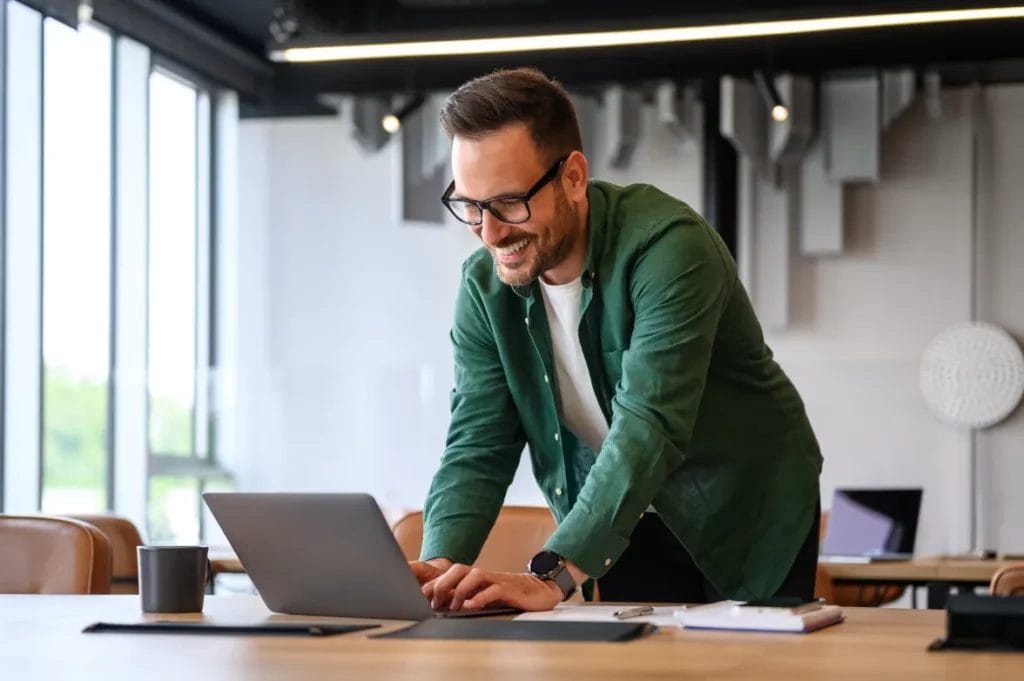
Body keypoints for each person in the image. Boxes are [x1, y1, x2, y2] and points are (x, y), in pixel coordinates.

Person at [409, 67, 822, 612]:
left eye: (509, 203)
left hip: (746, 507)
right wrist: (440, 568)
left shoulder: (669, 249)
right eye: (471, 206)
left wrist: (550, 575)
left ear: (574, 177)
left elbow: (648, 427)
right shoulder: (485, 289)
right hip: (622, 519)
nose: (490, 233)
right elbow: (478, 442)